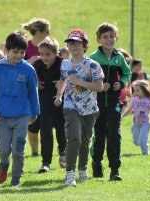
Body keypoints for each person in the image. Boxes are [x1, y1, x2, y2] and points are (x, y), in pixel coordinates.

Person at [0, 31, 39, 187]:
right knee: (4, 152)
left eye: (22, 52)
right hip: (2, 117)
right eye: (15, 52)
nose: (19, 55)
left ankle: (16, 180)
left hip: (22, 116)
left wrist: (35, 113)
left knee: (18, 151)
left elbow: (33, 93)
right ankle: (3, 165)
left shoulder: (28, 70)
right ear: (7, 49)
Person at [54, 28, 104, 187]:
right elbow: (63, 80)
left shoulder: (93, 65)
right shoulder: (65, 64)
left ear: (85, 46)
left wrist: (78, 82)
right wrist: (59, 95)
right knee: (74, 137)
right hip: (70, 107)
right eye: (70, 43)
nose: (73, 46)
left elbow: (99, 87)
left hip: (89, 108)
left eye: (77, 43)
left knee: (85, 140)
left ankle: (82, 169)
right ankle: (70, 173)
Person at [89, 22, 131, 181]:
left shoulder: (119, 58)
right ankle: (97, 163)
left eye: (112, 36)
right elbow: (86, 77)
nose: (109, 39)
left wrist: (120, 84)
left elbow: (127, 74)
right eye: (105, 37)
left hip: (114, 104)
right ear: (98, 40)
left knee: (114, 133)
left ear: (117, 38)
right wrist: (98, 86)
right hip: (97, 104)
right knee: (99, 135)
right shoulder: (93, 58)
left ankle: (115, 170)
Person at [33, 37, 67, 173]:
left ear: (56, 53)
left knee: (61, 129)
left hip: (60, 101)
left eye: (48, 54)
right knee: (45, 130)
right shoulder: (38, 65)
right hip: (44, 101)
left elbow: (71, 78)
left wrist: (62, 84)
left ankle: (63, 151)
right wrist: (36, 84)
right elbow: (30, 77)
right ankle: (45, 163)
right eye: (41, 54)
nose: (44, 57)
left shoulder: (63, 64)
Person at [22, 18, 51, 156]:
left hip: (49, 88)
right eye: (47, 31)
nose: (49, 33)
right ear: (39, 32)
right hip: (30, 89)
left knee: (49, 122)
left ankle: (52, 150)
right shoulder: (26, 46)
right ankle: (34, 152)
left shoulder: (50, 45)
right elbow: (16, 64)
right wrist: (29, 61)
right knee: (32, 124)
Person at [122, 80, 150, 154]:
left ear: (144, 90)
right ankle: (144, 140)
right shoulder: (134, 100)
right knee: (136, 142)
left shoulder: (149, 101)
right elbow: (129, 110)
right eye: (135, 90)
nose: (135, 92)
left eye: (138, 90)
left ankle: (145, 153)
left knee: (142, 140)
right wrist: (121, 116)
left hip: (145, 123)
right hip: (136, 124)